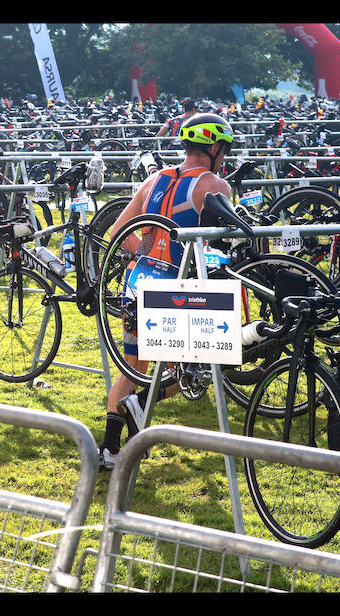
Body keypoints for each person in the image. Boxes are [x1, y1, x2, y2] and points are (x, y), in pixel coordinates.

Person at [98, 113, 235, 471]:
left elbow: (116, 231)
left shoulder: (155, 178)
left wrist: (144, 252)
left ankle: (109, 449)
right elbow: (232, 241)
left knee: (133, 368)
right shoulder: (213, 185)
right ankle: (139, 406)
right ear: (216, 147)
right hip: (177, 289)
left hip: (137, 280)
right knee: (192, 371)